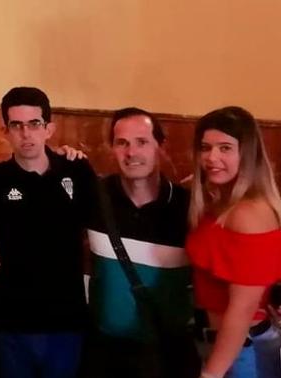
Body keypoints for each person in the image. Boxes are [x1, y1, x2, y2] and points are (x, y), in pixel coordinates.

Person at [0, 86, 96, 378]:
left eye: (34, 124)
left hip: (65, 315)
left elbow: (96, 231)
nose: (25, 134)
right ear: (5, 130)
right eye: (16, 125)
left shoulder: (77, 171)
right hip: (10, 317)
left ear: (49, 128)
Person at [85, 108, 197, 378]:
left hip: (169, 355)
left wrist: (277, 300)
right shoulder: (94, 198)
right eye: (122, 143)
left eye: (142, 142)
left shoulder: (189, 208)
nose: (131, 152)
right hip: (105, 355)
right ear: (112, 148)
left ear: (161, 146)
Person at [186, 106, 281, 378]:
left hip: (243, 350)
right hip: (225, 345)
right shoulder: (221, 202)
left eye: (225, 148)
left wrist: (211, 374)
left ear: (247, 154)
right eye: (205, 147)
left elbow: (242, 309)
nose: (212, 157)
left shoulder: (248, 213)